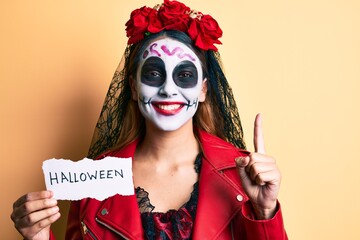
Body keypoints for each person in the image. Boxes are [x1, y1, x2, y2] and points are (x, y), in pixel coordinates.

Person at [11, 0, 288, 239]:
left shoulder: (243, 176)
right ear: (133, 86)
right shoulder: (91, 180)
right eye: (154, 74)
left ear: (203, 89)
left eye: (184, 75)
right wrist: (38, 238)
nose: (168, 89)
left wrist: (265, 212)